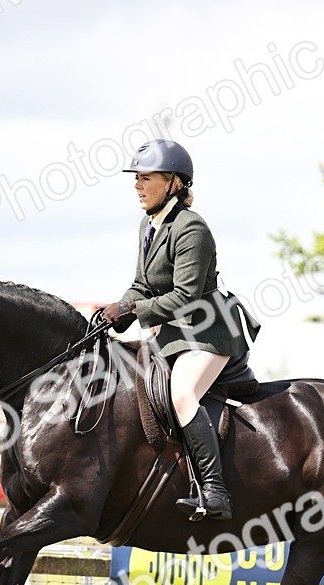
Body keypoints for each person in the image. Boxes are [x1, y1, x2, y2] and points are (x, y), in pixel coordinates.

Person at [100, 139, 258, 521]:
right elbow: (142, 284)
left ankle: (215, 491)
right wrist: (118, 308)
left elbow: (186, 295)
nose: (137, 185)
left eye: (146, 178)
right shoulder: (149, 225)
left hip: (208, 332)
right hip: (172, 335)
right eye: (136, 178)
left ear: (173, 182)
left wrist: (134, 310)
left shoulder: (192, 228)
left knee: (182, 395)